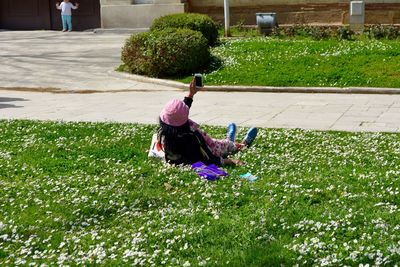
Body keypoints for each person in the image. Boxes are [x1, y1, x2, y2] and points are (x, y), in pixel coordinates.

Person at [158, 78, 258, 166]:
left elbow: (180, 112)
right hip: (211, 148)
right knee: (225, 146)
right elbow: (208, 158)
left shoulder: (167, 131)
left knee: (221, 143)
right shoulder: (191, 138)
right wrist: (231, 161)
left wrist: (191, 94)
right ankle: (242, 144)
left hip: (205, 143)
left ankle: (229, 139)